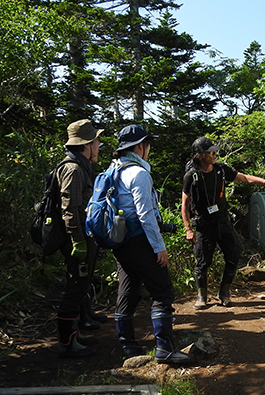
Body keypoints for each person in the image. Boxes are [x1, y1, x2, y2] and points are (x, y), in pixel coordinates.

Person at [110, 124, 194, 365]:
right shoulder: (138, 173)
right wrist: (159, 247)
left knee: (127, 289)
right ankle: (165, 349)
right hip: (140, 241)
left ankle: (127, 344)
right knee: (162, 290)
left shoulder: (114, 169)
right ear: (140, 146)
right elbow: (145, 214)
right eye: (148, 144)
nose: (149, 149)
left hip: (120, 242)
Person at [181, 136, 265, 309]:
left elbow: (243, 178)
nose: (215, 154)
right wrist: (188, 229)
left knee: (234, 254)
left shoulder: (221, 169)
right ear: (200, 155)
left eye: (215, 151)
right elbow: (184, 204)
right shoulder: (192, 176)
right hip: (203, 225)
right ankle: (202, 296)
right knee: (203, 262)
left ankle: (224, 293)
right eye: (211, 152)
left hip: (223, 222)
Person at [56, 119, 103, 358]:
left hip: (84, 236)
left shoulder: (80, 165)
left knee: (81, 283)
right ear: (87, 144)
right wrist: (77, 240)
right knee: (75, 286)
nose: (99, 145)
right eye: (97, 141)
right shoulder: (73, 169)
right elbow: (70, 207)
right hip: (77, 238)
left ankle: (75, 332)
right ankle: (66, 341)